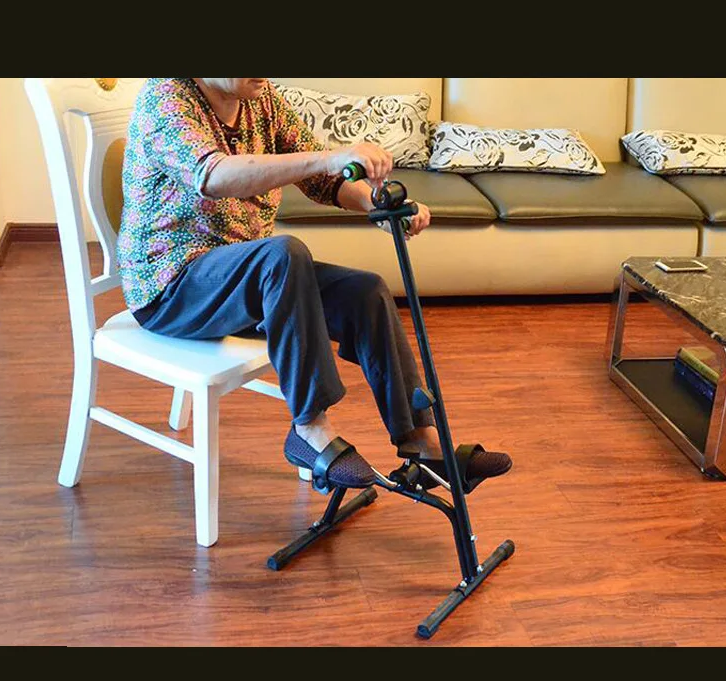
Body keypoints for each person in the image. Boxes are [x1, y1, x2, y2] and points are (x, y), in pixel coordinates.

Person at [117, 78, 511, 492]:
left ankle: (423, 443)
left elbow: (325, 182)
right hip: (171, 288)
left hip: (245, 281)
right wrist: (329, 157)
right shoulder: (166, 97)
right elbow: (213, 175)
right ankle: (310, 429)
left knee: (365, 292)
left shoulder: (261, 100)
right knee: (282, 254)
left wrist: (380, 207)